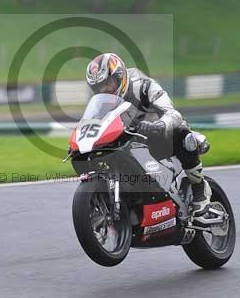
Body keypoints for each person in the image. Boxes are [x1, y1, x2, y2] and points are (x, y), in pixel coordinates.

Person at [85, 52, 213, 224]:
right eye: (99, 87)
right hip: (130, 141)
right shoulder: (101, 102)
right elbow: (93, 124)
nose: (104, 90)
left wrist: (159, 125)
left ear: (120, 77)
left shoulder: (143, 86)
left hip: (160, 135)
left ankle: (200, 190)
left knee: (182, 135)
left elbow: (172, 113)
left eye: (108, 83)